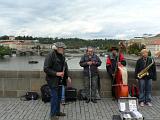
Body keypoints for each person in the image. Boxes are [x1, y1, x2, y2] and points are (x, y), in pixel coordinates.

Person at [44, 42, 68, 120]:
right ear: (57, 48)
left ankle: (57, 112)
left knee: (59, 97)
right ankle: (53, 114)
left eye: (63, 48)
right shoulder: (50, 55)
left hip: (60, 80)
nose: (63, 50)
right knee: (54, 97)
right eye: (62, 48)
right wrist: (56, 73)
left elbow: (65, 67)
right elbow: (46, 69)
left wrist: (67, 76)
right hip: (52, 80)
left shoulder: (62, 56)